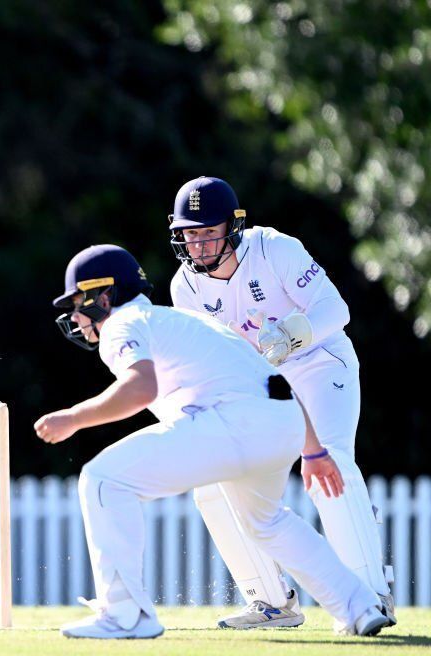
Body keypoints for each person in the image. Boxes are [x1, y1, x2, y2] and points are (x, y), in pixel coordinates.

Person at [34, 244, 391, 640]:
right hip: (283, 422)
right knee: (267, 522)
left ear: (105, 296)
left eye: (79, 303)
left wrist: (72, 418)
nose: (76, 317)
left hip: (233, 423)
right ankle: (359, 607)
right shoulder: (186, 322)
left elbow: (140, 388)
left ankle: (126, 615)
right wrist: (313, 449)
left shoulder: (124, 323)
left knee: (102, 479)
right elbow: (275, 384)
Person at [167, 176, 395, 629]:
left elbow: (336, 311)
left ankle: (370, 594)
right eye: (189, 234)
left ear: (233, 227)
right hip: (258, 386)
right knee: (211, 485)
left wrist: (290, 334)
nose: (198, 244)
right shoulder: (185, 288)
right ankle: (271, 601)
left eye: (207, 232)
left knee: (328, 464)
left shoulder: (276, 249)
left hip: (318, 363)